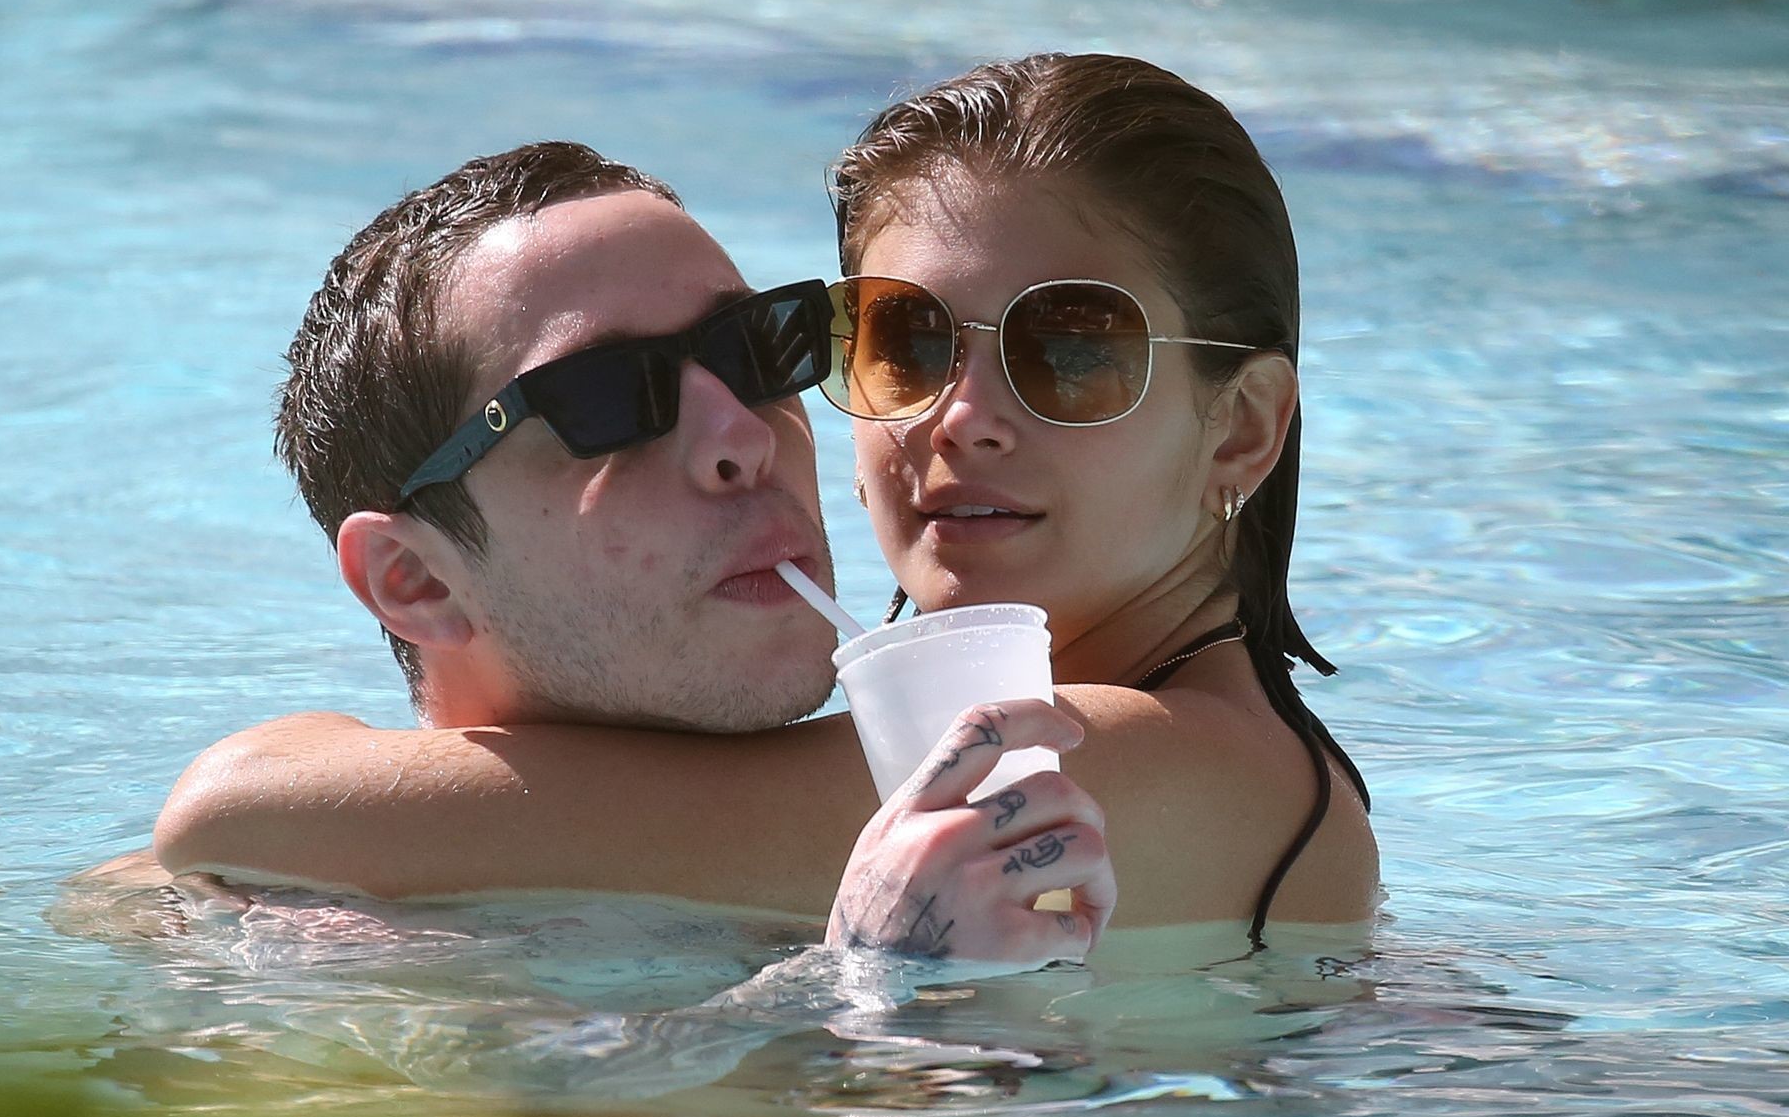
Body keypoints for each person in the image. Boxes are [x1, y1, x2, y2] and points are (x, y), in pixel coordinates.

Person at [156, 54, 1378, 948]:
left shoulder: (1169, 775)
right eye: (905, 341)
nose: (962, 419)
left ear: (1242, 428)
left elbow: (245, 810)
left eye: (1073, 348)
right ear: (413, 577)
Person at [148, 139, 1112, 964]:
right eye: (606, 399)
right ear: (418, 578)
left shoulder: (294, 831)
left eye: (754, 349)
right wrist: (886, 989)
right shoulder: (313, 959)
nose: (743, 436)